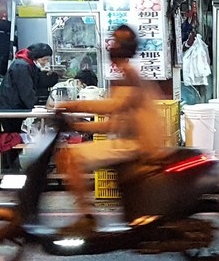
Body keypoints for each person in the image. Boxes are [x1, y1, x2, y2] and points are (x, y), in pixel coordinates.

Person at [56, 25, 172, 237]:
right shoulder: (128, 74)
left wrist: (71, 106)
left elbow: (112, 107)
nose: (109, 46)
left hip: (138, 145)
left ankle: (86, 217)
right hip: (131, 140)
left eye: (112, 42)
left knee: (71, 156)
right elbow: (114, 124)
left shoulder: (129, 75)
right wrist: (78, 127)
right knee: (72, 155)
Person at [0, 43, 54, 173]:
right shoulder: (21, 66)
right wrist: (37, 107)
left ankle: (10, 168)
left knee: (12, 136)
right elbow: (26, 91)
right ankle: (10, 169)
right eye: (44, 59)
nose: (45, 63)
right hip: (8, 107)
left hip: (13, 106)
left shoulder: (27, 64)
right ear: (36, 57)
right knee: (11, 138)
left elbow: (34, 85)